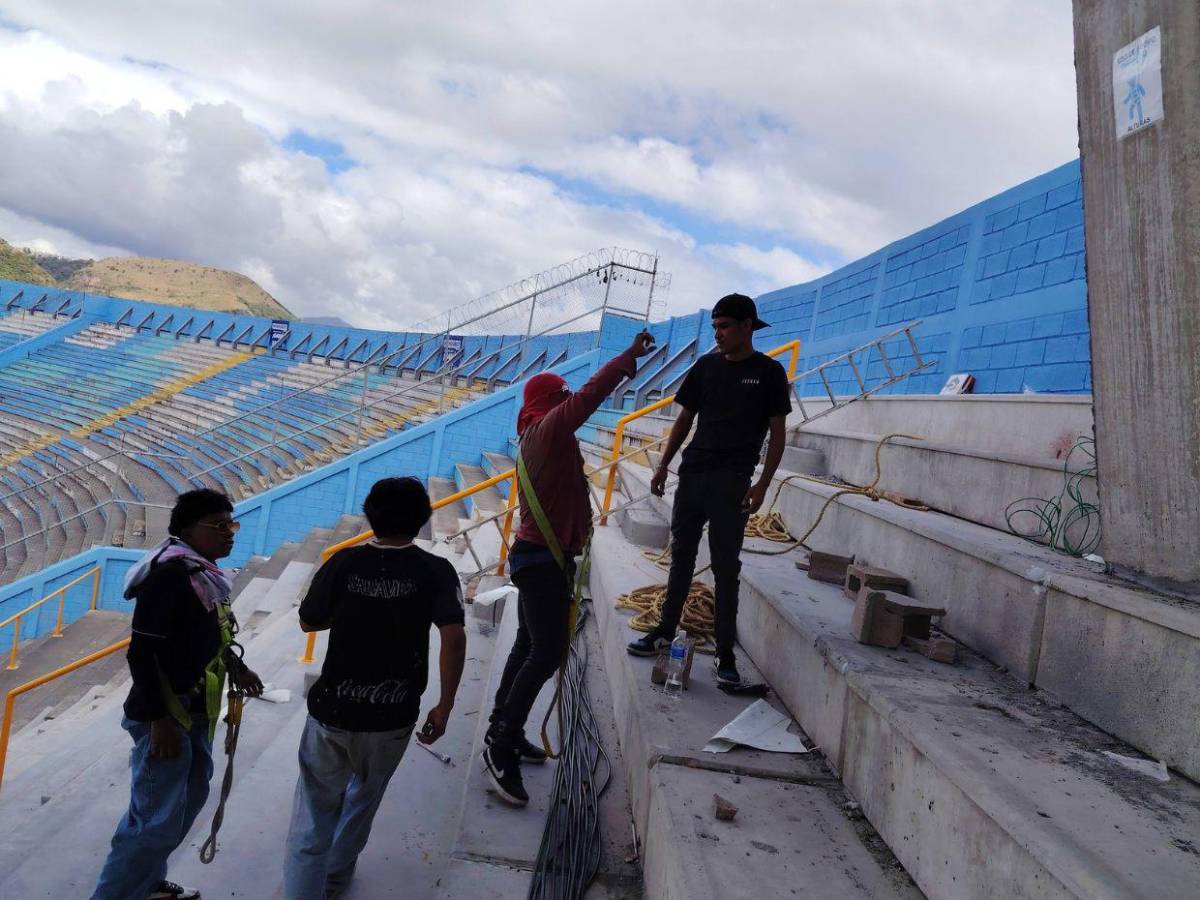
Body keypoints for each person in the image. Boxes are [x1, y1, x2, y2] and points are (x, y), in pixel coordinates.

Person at [483, 329, 656, 807]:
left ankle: (505, 725)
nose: (565, 406)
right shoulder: (549, 430)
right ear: (550, 403)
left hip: (541, 558)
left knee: (528, 645)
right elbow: (589, 396)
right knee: (547, 651)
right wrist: (626, 357)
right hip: (542, 561)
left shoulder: (537, 434)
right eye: (559, 399)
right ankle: (501, 742)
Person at [284, 476, 466, 900]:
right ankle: (336, 876)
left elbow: (310, 620)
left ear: (371, 515)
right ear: (423, 519)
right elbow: (454, 637)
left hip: (333, 711)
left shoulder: (343, 562)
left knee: (313, 814)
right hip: (393, 715)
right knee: (364, 798)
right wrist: (445, 706)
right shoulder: (436, 570)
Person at [92, 489, 263, 900]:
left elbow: (212, 632)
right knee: (152, 820)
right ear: (189, 529)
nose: (230, 534)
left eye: (231, 524)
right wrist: (160, 723)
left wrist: (237, 666)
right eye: (219, 526)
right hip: (167, 716)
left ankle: (147, 882)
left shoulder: (202, 573)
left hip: (195, 710)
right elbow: (143, 652)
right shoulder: (171, 577)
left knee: (187, 799)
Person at [627, 294, 791, 685]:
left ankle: (724, 653)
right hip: (693, 474)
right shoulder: (706, 366)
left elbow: (778, 435)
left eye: (725, 326)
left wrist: (762, 485)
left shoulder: (769, 372)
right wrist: (664, 464)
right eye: (715, 326)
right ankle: (665, 631)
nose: (717, 334)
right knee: (681, 556)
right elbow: (684, 419)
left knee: (725, 567)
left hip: (732, 482)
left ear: (747, 325)